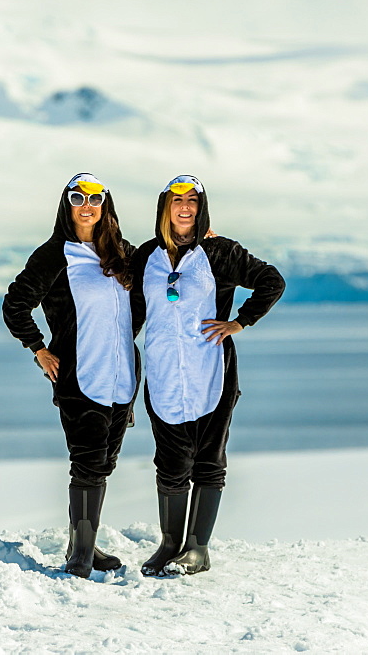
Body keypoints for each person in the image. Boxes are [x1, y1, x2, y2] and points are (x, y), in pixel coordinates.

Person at [131, 174, 285, 575]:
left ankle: (197, 550)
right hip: (163, 374)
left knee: (208, 460)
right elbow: (128, 312)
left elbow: (271, 281)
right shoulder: (146, 256)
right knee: (170, 462)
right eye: (177, 200)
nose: (185, 207)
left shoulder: (220, 252)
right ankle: (169, 546)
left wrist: (240, 322)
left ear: (202, 207)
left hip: (211, 371)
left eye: (193, 201)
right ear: (164, 206)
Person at [3, 173, 139, 578]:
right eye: (78, 197)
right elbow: (16, 304)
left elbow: (162, 273)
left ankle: (84, 545)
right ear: (67, 204)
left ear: (105, 205)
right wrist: (39, 350)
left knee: (105, 463)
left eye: (95, 199)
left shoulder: (122, 252)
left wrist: (203, 239)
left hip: (123, 376)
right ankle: (80, 556)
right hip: (80, 375)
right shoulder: (53, 255)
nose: (87, 205)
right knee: (87, 463)